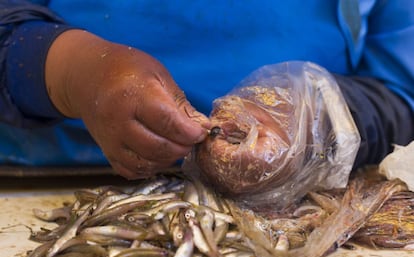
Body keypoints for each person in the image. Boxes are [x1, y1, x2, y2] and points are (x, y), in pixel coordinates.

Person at [0, 0, 413, 181]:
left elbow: (400, 93)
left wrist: (314, 120)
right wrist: (74, 70)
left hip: (302, 195)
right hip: (53, 176)